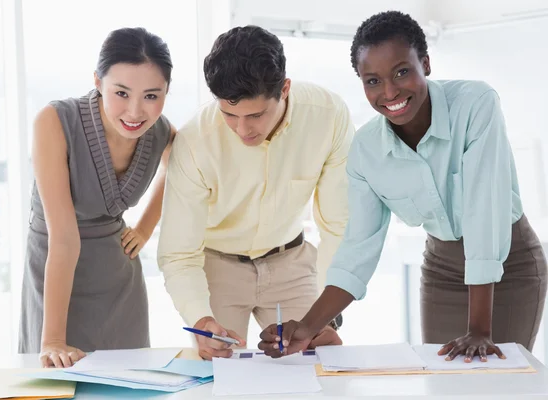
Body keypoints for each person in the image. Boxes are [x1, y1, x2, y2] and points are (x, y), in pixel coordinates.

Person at [259, 11, 547, 362]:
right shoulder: (366, 150)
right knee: (443, 385)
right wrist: (305, 329)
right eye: (373, 81)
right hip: (442, 271)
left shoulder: (475, 105)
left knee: (498, 383)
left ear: (425, 63)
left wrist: (480, 329)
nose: (390, 91)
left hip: (510, 265)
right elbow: (357, 250)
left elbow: (483, 215)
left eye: (402, 72)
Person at [157, 25, 353, 360]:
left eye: (255, 115)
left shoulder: (329, 116)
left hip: (290, 261)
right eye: (229, 115)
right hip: (217, 266)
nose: (242, 129)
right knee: (218, 371)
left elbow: (337, 224)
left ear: (285, 89)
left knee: (319, 361)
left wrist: (328, 311)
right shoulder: (195, 141)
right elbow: (178, 252)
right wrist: (200, 318)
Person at [19, 27, 176, 368]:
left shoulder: (163, 131)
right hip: (56, 273)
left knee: (130, 380)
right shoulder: (55, 121)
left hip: (119, 279)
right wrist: (53, 340)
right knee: (55, 379)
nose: (135, 112)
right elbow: (63, 239)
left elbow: (179, 171)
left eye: (152, 96)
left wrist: (146, 228)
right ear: (98, 81)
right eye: (121, 92)